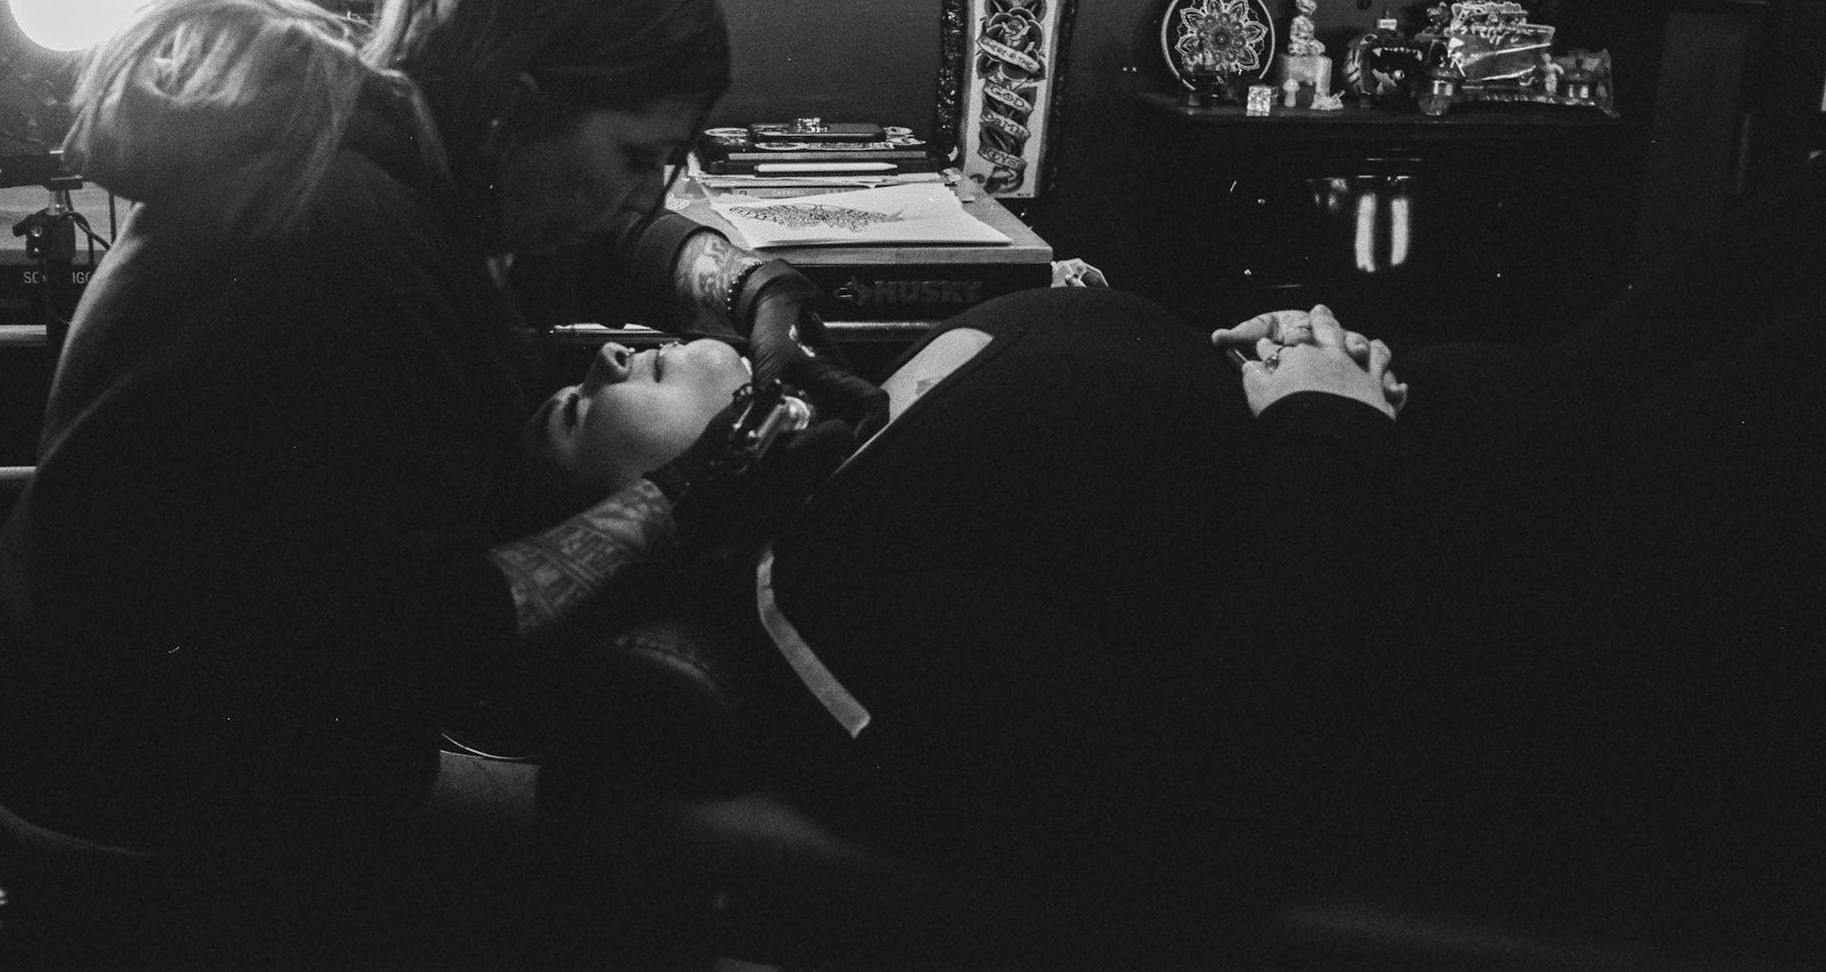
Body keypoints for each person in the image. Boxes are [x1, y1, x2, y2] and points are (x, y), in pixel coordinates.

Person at [529, 150, 1826, 965]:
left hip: (1526, 415)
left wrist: (1256, 353)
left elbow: (1139, 484)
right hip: (1564, 575)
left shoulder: (853, 428)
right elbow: (1210, 792)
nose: (610, 352)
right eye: (579, 410)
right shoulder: (827, 594)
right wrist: (1324, 426)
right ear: (637, 512)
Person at [0, 0, 877, 971]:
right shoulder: (352, 250)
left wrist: (755, 288)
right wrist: (685, 495)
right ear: (518, 101)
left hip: (129, 746)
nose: (642, 193)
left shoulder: (393, 151)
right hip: (149, 817)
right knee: (656, 865)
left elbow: (614, 237)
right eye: (635, 155)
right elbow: (429, 644)